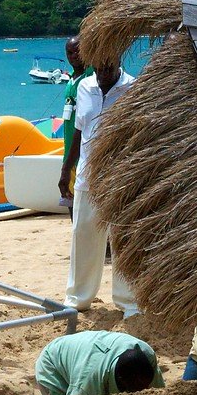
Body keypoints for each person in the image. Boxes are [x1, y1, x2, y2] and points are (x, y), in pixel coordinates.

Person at [59, 54, 136, 314]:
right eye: (100, 67)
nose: (103, 71)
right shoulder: (84, 87)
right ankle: (78, 298)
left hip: (120, 179)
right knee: (83, 237)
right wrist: (65, 169)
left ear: (118, 61)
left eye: (109, 66)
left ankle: (128, 302)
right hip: (87, 177)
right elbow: (80, 131)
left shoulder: (133, 88)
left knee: (123, 241)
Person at [34, 330, 163, 395]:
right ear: (120, 381)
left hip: (83, 351)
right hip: (52, 363)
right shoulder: (87, 383)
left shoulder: (147, 354)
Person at [58, 37, 88, 205]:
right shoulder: (70, 80)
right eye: (69, 53)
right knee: (70, 202)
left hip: (84, 156)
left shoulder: (92, 76)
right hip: (69, 155)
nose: (73, 56)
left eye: (77, 51)